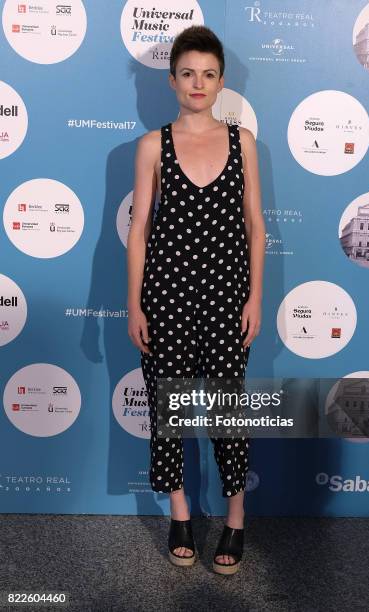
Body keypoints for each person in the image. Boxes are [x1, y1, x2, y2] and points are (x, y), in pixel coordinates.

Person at [127, 25, 265, 575]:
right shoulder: (151, 145)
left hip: (229, 299)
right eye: (188, 73)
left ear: (221, 81)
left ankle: (235, 518)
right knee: (169, 409)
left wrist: (256, 297)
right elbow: (139, 231)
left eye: (208, 74)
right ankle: (180, 514)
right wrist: (134, 305)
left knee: (228, 411)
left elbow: (255, 227)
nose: (198, 83)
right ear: (172, 80)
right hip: (165, 298)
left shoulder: (242, 141)